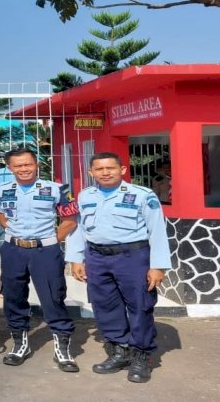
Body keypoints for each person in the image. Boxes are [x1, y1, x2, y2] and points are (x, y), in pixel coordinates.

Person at [66, 152, 172, 383]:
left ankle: (141, 355)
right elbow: (79, 229)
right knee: (105, 305)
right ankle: (119, 351)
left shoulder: (142, 195)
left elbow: (157, 231)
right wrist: (75, 259)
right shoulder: (85, 196)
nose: (105, 173)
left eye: (110, 168)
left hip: (132, 257)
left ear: (122, 170)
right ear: (91, 172)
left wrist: (158, 266)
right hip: (96, 257)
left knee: (140, 306)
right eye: (99, 169)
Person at [0, 148, 80, 371]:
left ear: (36, 164)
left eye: (28, 164)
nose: (23, 169)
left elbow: (70, 221)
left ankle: (63, 350)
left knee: (53, 296)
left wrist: (50, 240)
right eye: (18, 166)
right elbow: (1, 217)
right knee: (13, 297)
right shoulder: (2, 190)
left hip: (46, 251)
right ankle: (20, 344)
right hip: (13, 250)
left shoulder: (57, 189)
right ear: (10, 168)